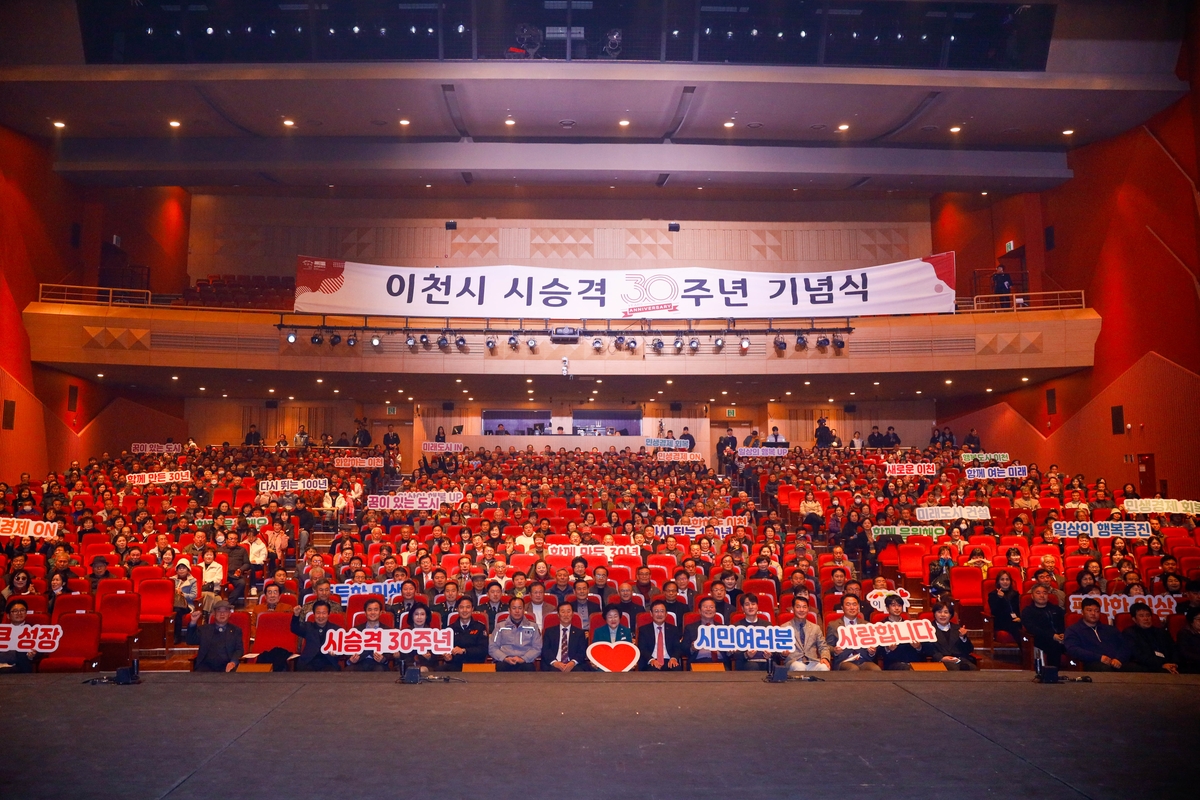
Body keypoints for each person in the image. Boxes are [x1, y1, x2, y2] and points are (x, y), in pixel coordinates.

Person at [1064, 597, 1131, 671]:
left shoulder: (1110, 629)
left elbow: (1125, 646)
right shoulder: (1073, 630)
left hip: (1115, 661)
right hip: (1091, 662)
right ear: (1082, 612)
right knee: (1105, 669)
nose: (1093, 613)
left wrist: (1119, 659)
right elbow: (1073, 649)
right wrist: (1099, 657)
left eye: (1097, 611)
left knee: (1135, 668)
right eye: (1089, 610)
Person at [185, 600, 243, 672]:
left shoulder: (236, 631)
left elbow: (239, 650)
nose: (222, 614)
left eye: (225, 610)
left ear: (229, 614)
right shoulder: (204, 629)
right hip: (205, 668)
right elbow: (190, 640)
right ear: (214, 614)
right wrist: (193, 621)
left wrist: (233, 662)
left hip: (227, 667)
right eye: (219, 610)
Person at [825, 594, 879, 671]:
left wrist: (872, 652)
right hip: (844, 660)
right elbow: (827, 646)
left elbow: (874, 645)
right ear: (842, 607)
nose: (852, 607)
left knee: (876, 669)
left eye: (854, 604)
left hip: (864, 660)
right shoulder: (834, 625)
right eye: (848, 604)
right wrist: (835, 650)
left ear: (858, 607)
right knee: (853, 669)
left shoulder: (867, 625)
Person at [1121, 602, 1178, 674]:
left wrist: (1173, 664)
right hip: (1146, 665)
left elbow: (1173, 649)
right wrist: (1162, 664)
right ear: (1134, 619)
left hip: (1167, 664)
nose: (1146, 619)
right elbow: (1138, 655)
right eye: (1141, 616)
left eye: (1148, 615)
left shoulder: (1162, 632)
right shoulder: (1129, 633)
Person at [1021, 583, 1066, 669]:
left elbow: (1063, 623)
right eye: (1038, 593)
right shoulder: (1028, 611)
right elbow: (1032, 628)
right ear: (1032, 596)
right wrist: (1052, 636)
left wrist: (1063, 634)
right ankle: (1053, 673)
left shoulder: (1056, 609)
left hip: (1060, 637)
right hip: (1041, 639)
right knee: (1054, 646)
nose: (1042, 595)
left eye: (1044, 593)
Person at [488, 598, 541, 671]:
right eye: (514, 608)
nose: (517, 611)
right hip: (505, 660)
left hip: (525, 661)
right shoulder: (500, 626)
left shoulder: (533, 627)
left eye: (520, 608)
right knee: (500, 667)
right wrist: (505, 658)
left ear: (524, 610)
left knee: (529, 668)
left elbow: (537, 647)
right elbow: (492, 647)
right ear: (509, 610)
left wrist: (523, 659)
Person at [290, 600, 342, 671]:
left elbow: (341, 649)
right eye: (318, 613)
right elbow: (294, 628)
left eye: (324, 613)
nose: (321, 616)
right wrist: (296, 615)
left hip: (328, 662)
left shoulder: (336, 630)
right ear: (314, 614)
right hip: (309, 662)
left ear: (328, 614)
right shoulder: (308, 626)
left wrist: (336, 653)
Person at [923, 602, 977, 670]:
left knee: (972, 668)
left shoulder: (957, 628)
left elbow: (969, 649)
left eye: (946, 612)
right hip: (940, 660)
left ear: (951, 615)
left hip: (959, 659)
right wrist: (941, 658)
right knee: (953, 669)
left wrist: (962, 637)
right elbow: (927, 648)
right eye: (939, 612)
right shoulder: (928, 629)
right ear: (934, 614)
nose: (943, 615)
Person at [785, 596, 831, 672]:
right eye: (798, 607)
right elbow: (779, 652)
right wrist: (783, 654)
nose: (801, 610)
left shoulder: (815, 628)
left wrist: (824, 658)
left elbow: (823, 647)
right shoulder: (784, 628)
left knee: (824, 667)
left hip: (813, 662)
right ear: (793, 609)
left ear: (808, 609)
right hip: (794, 662)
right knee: (799, 667)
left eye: (804, 607)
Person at [880, 595, 924, 670]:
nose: (897, 608)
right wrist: (888, 648)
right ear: (887, 608)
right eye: (893, 605)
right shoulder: (881, 626)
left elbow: (921, 649)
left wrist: (918, 647)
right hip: (893, 662)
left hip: (912, 660)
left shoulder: (910, 625)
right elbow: (878, 650)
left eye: (899, 605)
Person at [542, 602, 589, 672]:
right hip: (554, 664)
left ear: (572, 614)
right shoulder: (549, 632)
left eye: (568, 611)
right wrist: (555, 663)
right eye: (563, 612)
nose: (566, 615)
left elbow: (581, 652)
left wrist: (572, 663)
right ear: (558, 614)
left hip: (573, 665)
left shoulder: (580, 633)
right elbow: (546, 650)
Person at [444, 596, 488, 670]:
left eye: (468, 607)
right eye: (461, 607)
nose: (464, 610)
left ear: (472, 609)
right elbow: (447, 651)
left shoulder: (480, 627)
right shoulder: (450, 629)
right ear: (457, 609)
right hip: (455, 665)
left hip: (475, 665)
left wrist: (464, 650)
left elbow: (483, 649)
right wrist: (448, 658)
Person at [637, 599, 682, 671]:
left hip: (669, 660)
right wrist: (651, 660)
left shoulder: (673, 629)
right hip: (651, 661)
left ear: (666, 614)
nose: (659, 614)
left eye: (662, 611)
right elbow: (642, 649)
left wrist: (674, 658)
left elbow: (677, 648)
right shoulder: (644, 630)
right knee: (652, 670)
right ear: (651, 614)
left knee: (677, 669)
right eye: (656, 611)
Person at [348, 598, 391, 672]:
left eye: (376, 610)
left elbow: (390, 652)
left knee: (380, 670)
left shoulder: (388, 630)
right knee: (348, 671)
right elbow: (348, 649)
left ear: (380, 612)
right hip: (359, 662)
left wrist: (384, 659)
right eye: (369, 610)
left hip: (378, 664)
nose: (372, 612)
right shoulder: (355, 630)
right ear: (365, 613)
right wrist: (351, 659)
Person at [0, 599, 37, 672]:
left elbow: (40, 652)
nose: (19, 613)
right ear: (8, 616)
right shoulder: (2, 630)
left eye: (22, 610)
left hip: (20, 666)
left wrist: (32, 655)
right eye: (15, 611)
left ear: (26, 613)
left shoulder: (34, 630)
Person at [988, 571, 1023, 644]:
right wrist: (1001, 598)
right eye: (1002, 579)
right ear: (998, 582)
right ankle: (1026, 650)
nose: (1005, 582)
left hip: (1015, 619)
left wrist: (1019, 618)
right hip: (1001, 621)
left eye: (1007, 579)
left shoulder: (1015, 594)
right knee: (1016, 627)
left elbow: (1018, 609)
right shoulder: (993, 595)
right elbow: (995, 611)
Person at [1177, 606, 1200, 673]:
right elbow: (1184, 653)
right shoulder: (1184, 634)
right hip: (1192, 665)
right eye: (1199, 619)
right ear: (1191, 621)